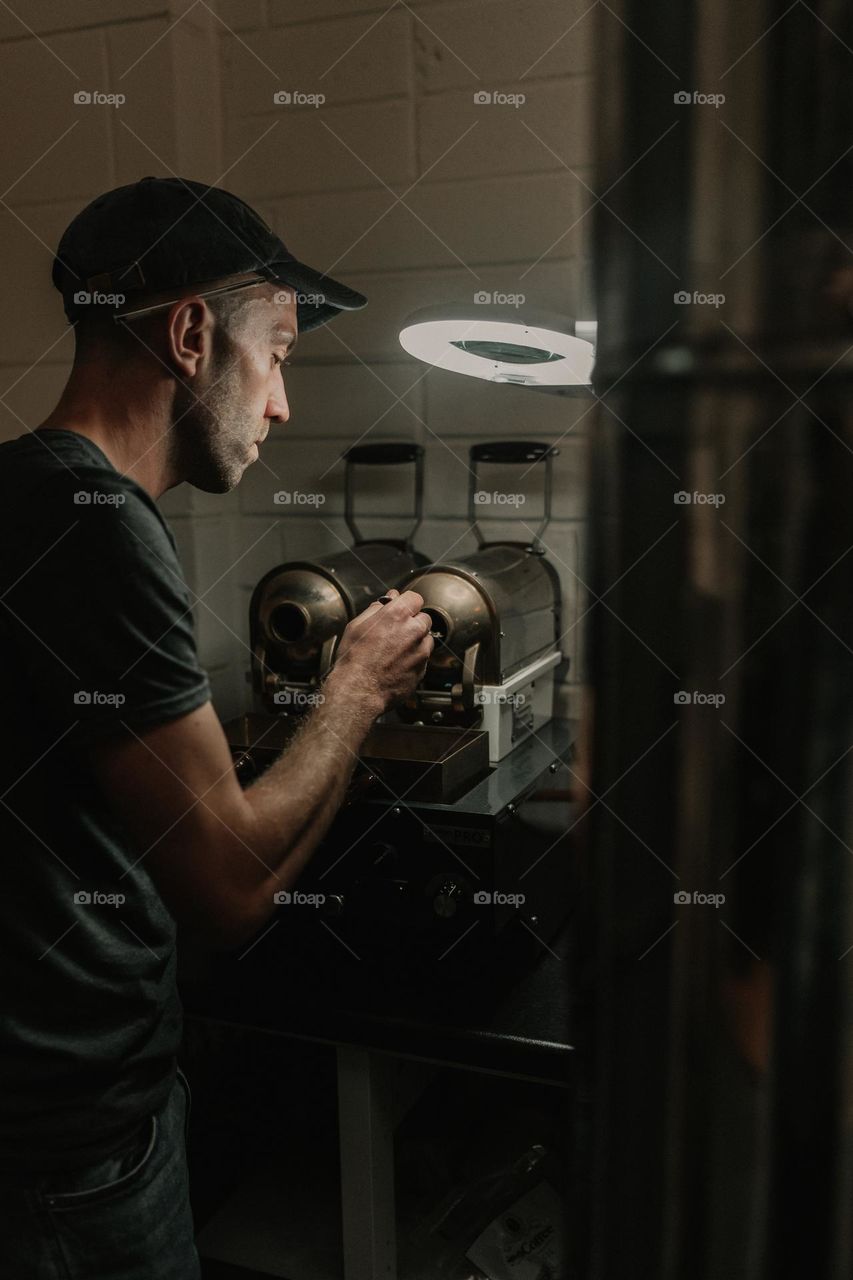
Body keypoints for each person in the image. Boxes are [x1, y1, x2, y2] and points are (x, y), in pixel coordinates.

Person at [0, 176, 434, 1278]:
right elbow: (230, 889)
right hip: (73, 1150)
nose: (281, 402)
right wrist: (355, 687)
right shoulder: (95, 528)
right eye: (277, 350)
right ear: (192, 334)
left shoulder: (25, 492)